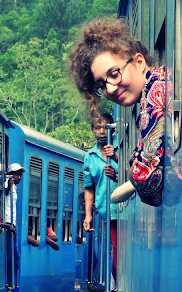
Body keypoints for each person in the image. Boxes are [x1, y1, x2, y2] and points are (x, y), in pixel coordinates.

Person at [70, 17, 165, 208]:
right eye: (101, 85)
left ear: (139, 61)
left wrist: (135, 172)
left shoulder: (157, 91)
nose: (110, 89)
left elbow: (146, 181)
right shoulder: (152, 91)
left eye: (114, 74)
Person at [83, 112, 119, 277]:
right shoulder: (89, 157)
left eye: (105, 127)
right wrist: (88, 215)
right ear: (92, 131)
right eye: (98, 128)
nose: (102, 132)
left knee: (120, 251)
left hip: (126, 208)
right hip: (107, 211)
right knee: (115, 250)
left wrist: (116, 157)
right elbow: (89, 187)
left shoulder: (121, 146)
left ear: (112, 129)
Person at [0, 163, 25, 287]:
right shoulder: (6, 184)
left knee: (16, 258)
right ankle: (8, 282)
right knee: (10, 256)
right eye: (17, 174)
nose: (19, 177)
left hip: (12, 225)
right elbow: (2, 195)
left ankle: (10, 281)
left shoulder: (15, 187)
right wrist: (8, 185)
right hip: (8, 224)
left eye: (20, 175)